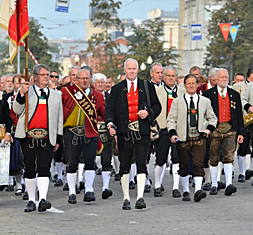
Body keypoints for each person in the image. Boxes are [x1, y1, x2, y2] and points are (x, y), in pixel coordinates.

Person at [106, 58, 161, 210]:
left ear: (138, 70)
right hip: (124, 133)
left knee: (142, 163)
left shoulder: (147, 86)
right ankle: (126, 198)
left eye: (134, 68)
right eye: (129, 69)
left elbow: (158, 106)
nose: (131, 71)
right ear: (124, 70)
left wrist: (148, 113)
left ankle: (140, 197)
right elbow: (109, 108)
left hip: (142, 132)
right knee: (124, 165)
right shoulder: (117, 89)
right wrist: (110, 123)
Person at [13, 64, 63, 213]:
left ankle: (42, 198)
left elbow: (59, 118)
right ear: (35, 77)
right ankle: (30, 199)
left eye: (48, 74)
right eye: (43, 75)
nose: (47, 77)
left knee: (44, 168)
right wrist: (21, 94)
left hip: (47, 136)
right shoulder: (27, 92)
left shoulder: (55, 95)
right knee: (29, 168)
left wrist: (58, 139)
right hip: (28, 136)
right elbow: (16, 110)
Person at [168, 74, 217, 202]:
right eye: (188, 83)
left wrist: (209, 129)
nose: (191, 86)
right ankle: (185, 190)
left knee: (198, 164)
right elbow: (171, 119)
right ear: (184, 86)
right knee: (183, 166)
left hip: (199, 137)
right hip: (183, 138)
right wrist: (173, 133)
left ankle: (198, 191)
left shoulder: (204, 101)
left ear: (197, 85)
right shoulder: (177, 101)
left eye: (193, 83)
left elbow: (212, 118)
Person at [62, 68, 106, 204]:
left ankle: (89, 190)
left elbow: (104, 113)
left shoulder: (97, 95)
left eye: (87, 78)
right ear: (76, 79)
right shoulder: (67, 92)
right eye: (82, 78)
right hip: (71, 132)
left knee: (90, 163)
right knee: (72, 164)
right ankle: (72, 192)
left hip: (90, 132)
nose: (85, 81)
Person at [203, 68, 245, 196]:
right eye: (222, 77)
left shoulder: (234, 94)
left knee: (229, 156)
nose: (225, 79)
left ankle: (228, 184)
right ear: (216, 79)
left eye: (226, 77)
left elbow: (239, 115)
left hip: (230, 130)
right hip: (214, 130)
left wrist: (241, 132)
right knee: (214, 156)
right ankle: (214, 183)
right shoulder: (208, 94)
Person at [152, 66, 180, 197]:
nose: (170, 78)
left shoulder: (182, 91)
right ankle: (157, 184)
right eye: (168, 75)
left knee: (177, 158)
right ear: (164, 76)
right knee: (161, 158)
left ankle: (176, 187)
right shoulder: (157, 91)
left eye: (173, 76)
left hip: (178, 130)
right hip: (162, 129)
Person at [232, 65, 253, 182]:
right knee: (242, 147)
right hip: (242, 119)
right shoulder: (238, 86)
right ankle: (242, 172)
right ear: (252, 75)